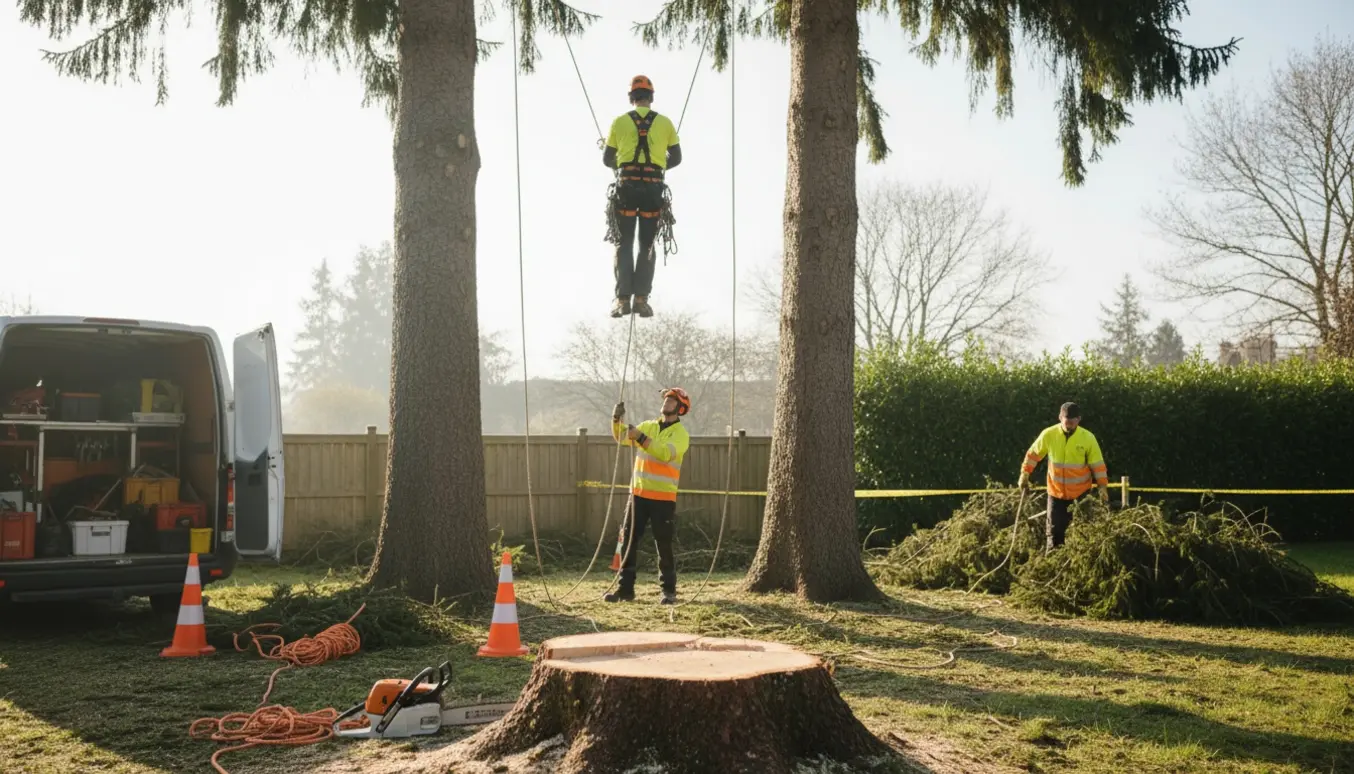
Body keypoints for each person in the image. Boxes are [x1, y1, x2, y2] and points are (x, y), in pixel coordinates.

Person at [602, 75, 683, 320]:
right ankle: (641, 299)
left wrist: (624, 163)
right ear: (651, 97)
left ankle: (622, 300)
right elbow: (677, 158)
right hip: (652, 190)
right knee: (646, 245)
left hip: (626, 188)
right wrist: (656, 165)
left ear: (631, 98)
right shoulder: (666, 123)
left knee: (624, 244)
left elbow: (607, 159)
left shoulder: (619, 123)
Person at [604, 387, 692, 604]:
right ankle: (625, 590)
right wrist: (616, 419)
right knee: (628, 542)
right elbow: (621, 437)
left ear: (680, 408)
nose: (667, 402)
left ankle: (668, 592)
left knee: (663, 545)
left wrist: (641, 437)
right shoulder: (648, 426)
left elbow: (664, 454)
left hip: (663, 499)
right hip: (638, 495)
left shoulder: (680, 435)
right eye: (666, 399)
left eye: (672, 400)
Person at [1018, 401, 1110, 549]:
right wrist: (1025, 474)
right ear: (1060, 417)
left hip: (1081, 494)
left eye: (1072, 423)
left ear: (1079, 419)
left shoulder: (1088, 438)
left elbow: (1097, 465)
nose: (1069, 425)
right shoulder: (1049, 434)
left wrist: (1102, 487)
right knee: (1054, 535)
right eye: (1066, 422)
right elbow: (1033, 455)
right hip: (1056, 493)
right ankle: (1053, 563)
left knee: (1083, 533)